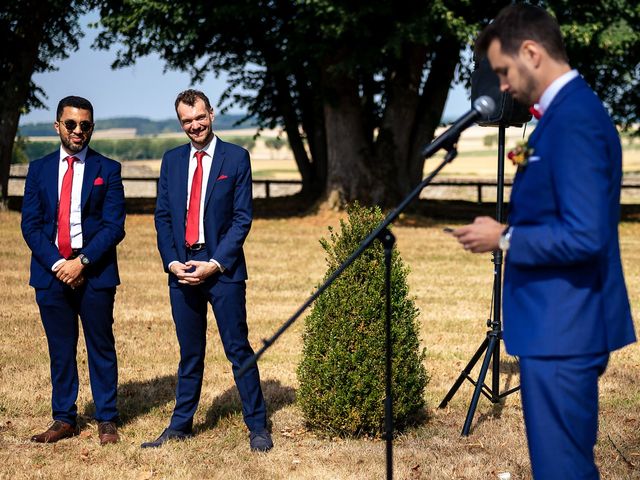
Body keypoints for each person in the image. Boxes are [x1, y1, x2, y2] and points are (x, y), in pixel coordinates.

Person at [452, 4, 636, 479]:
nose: (503, 86)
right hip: (553, 324)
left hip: (564, 327)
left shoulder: (574, 119)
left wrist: (505, 237)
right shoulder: (557, 117)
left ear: (531, 52)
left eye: (503, 71)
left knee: (563, 471)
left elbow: (586, 235)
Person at [143, 89, 272, 452]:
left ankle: (258, 427)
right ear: (180, 122)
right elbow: (163, 217)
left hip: (222, 269)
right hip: (181, 270)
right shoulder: (171, 161)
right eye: (187, 121)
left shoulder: (236, 158)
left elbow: (242, 218)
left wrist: (214, 263)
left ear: (211, 114)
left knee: (238, 348)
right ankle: (180, 426)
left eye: (199, 117)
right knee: (190, 352)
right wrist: (172, 262)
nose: (194, 125)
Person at [21, 96, 126, 445]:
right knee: (60, 348)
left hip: (94, 271)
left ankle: (107, 418)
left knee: (101, 344)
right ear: (58, 126)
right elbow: (31, 226)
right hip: (50, 273)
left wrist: (81, 262)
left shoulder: (108, 169)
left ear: (91, 127)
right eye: (71, 124)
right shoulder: (38, 170)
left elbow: (114, 226)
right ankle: (64, 418)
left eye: (85, 125)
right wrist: (58, 264)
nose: (78, 130)